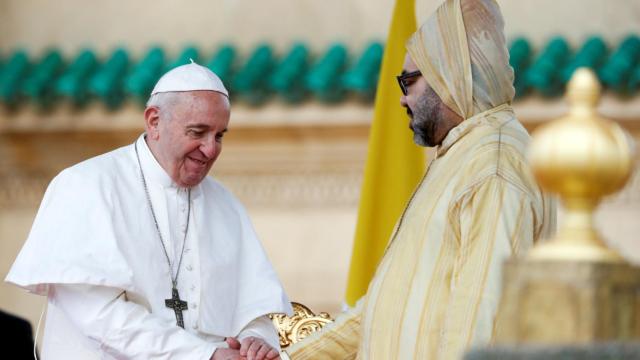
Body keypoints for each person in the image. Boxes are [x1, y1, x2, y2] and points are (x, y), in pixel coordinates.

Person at [283, 0, 556, 359]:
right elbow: (381, 310)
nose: (401, 99)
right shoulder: (463, 156)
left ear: (449, 75)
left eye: (408, 81)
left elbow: (482, 323)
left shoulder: (494, 163)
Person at [6, 62, 292, 360]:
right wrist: (205, 355)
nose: (211, 149)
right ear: (154, 121)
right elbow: (100, 316)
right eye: (198, 132)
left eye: (219, 135)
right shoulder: (85, 187)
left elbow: (254, 312)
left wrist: (254, 340)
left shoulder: (226, 204)